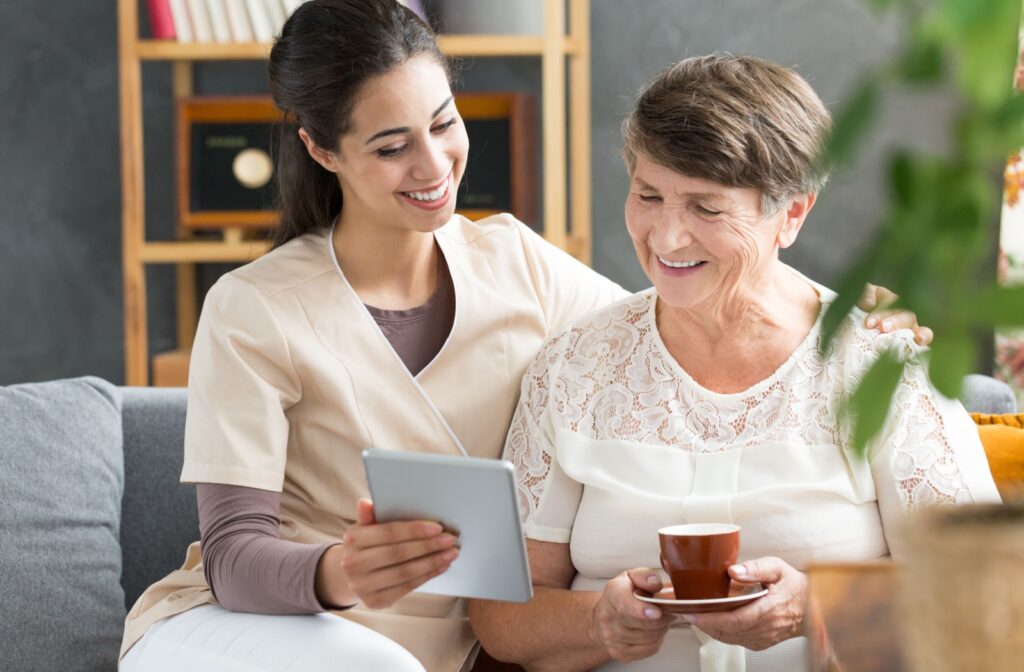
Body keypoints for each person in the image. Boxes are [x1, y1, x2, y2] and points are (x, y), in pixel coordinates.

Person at [117, 3, 929, 669]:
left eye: (443, 122)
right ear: (321, 148)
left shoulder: (517, 264)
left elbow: (685, 309)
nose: (433, 164)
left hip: (444, 649)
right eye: (392, 146)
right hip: (262, 627)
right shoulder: (254, 306)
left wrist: (849, 310)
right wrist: (337, 571)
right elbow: (232, 555)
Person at [467, 54, 1001, 672]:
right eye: (648, 195)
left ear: (792, 213)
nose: (666, 238)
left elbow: (983, 590)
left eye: (707, 208)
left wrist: (817, 606)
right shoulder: (575, 366)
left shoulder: (881, 364)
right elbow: (500, 615)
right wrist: (599, 624)